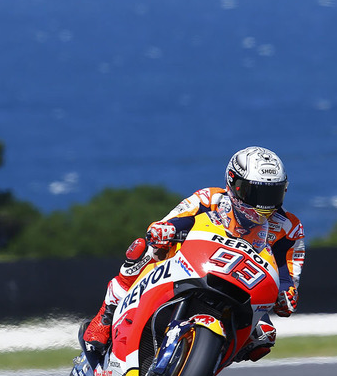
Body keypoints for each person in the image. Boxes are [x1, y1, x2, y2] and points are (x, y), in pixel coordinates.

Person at [82, 146, 305, 362]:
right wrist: (166, 229)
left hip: (242, 287)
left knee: (264, 336)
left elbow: (286, 274)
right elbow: (175, 220)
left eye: (272, 194)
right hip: (192, 265)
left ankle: (201, 366)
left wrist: (287, 293)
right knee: (145, 249)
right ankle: (106, 315)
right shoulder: (210, 198)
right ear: (234, 184)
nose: (263, 205)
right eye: (256, 193)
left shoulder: (289, 227)